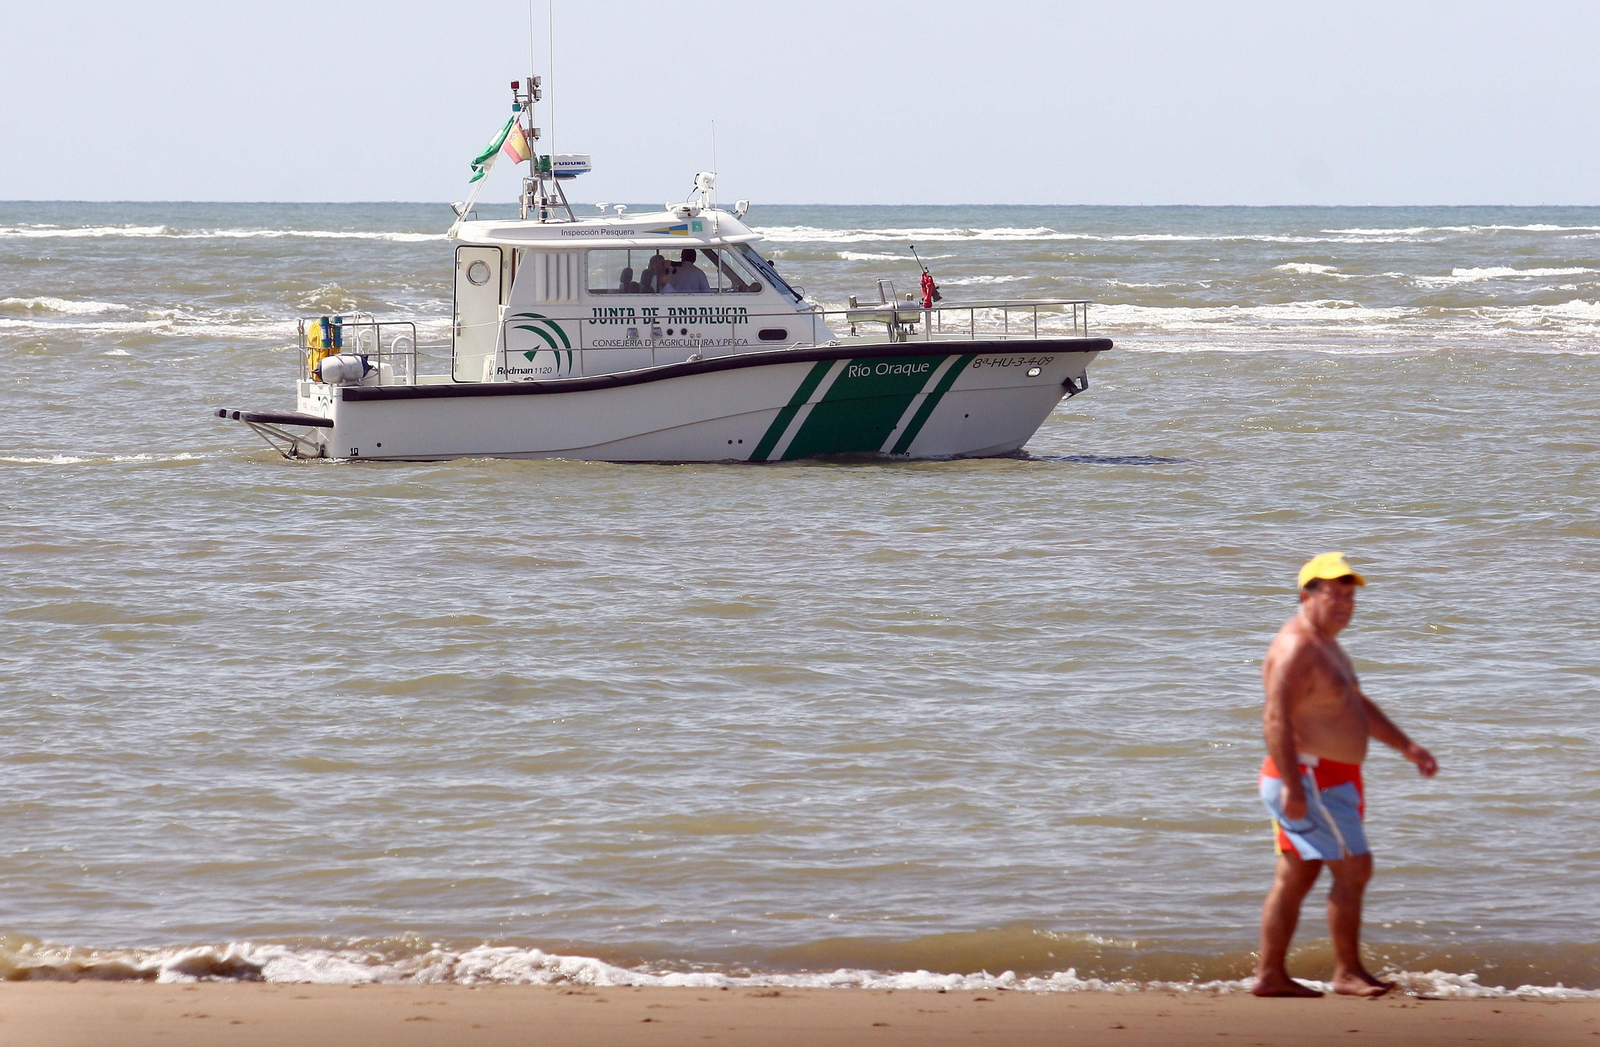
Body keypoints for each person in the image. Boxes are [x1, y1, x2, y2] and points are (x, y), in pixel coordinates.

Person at [1253, 552, 1437, 999]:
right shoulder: (1296, 648)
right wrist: (1296, 789)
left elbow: (1354, 705)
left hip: (1328, 778)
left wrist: (1405, 746)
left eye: (1349, 596)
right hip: (1309, 779)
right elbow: (1275, 720)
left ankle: (1271, 976)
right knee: (1354, 867)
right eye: (1333, 595)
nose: (1343, 605)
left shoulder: (1326, 644)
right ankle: (1346, 973)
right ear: (1306, 595)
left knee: (1296, 875)